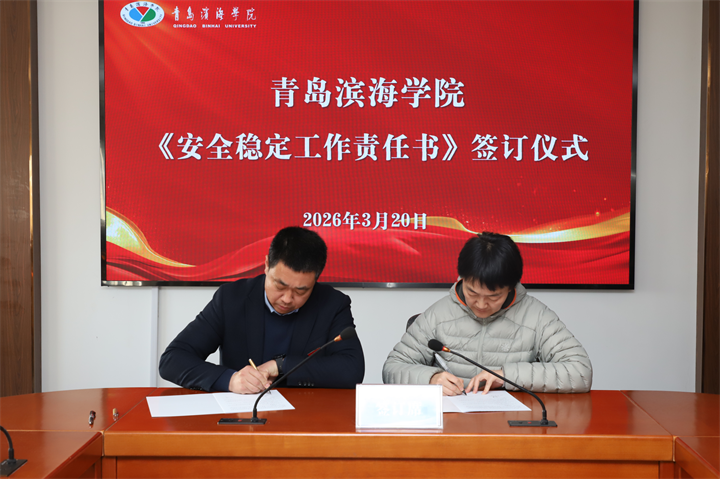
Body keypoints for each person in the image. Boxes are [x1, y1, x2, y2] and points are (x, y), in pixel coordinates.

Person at [382, 232, 592, 395]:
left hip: (511, 425)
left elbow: (580, 372)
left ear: (511, 287)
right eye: (472, 292)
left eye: (494, 296)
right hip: (452, 424)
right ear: (461, 278)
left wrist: (507, 376)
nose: (481, 304)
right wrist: (431, 378)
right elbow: (392, 368)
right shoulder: (438, 315)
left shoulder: (536, 317)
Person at [159, 226, 365, 393]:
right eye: (280, 286)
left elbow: (352, 369)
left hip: (305, 417)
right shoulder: (231, 299)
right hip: (243, 417)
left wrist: (280, 365)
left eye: (301, 291)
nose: (287, 299)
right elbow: (173, 360)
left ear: (315, 280)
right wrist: (230, 380)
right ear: (267, 265)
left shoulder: (332, 304)